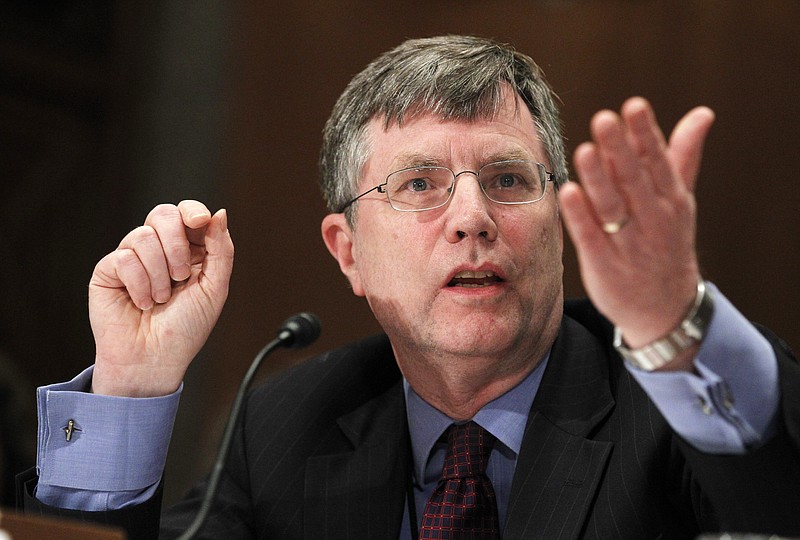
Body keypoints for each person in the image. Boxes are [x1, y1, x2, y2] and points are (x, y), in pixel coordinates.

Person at [19, 35, 800, 539]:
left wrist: (678, 328)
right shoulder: (287, 426)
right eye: (420, 184)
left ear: (561, 224)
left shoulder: (666, 405)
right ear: (349, 251)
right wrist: (130, 385)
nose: (471, 218)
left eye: (506, 179)